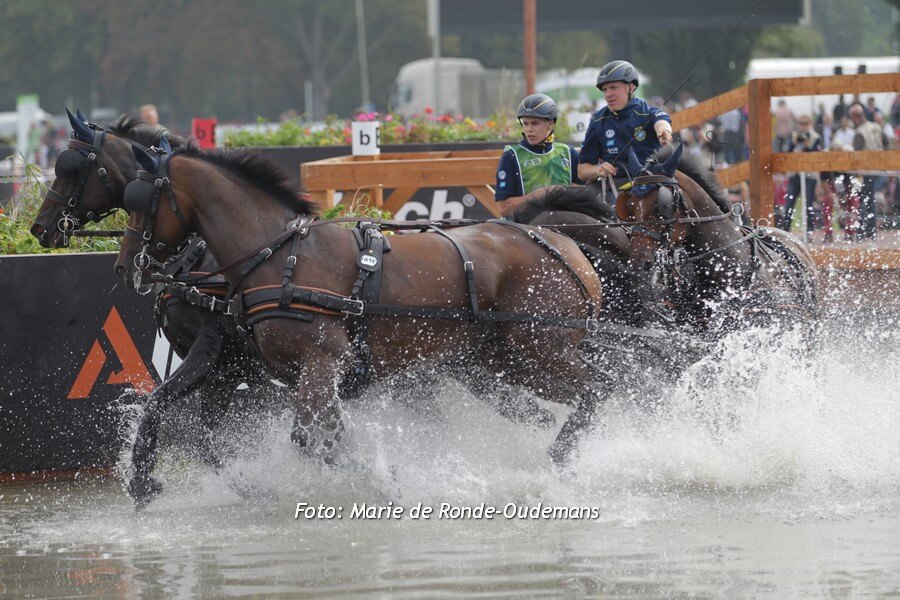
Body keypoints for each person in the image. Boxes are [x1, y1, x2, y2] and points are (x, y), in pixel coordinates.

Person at [577, 60, 673, 199]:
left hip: (650, 184)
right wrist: (598, 170)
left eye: (613, 87)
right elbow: (582, 171)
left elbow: (661, 121)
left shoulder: (646, 112)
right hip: (613, 188)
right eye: (605, 89)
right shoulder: (597, 120)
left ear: (631, 87)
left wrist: (664, 132)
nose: (608, 94)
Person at [494, 93, 581, 217]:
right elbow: (503, 209)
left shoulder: (568, 152)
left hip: (564, 222)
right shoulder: (511, 156)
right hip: (524, 226)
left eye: (535, 123)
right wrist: (540, 195)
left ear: (550, 124)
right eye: (525, 123)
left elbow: (587, 191)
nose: (529, 129)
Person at [777, 114, 822, 233]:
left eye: (805, 123)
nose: (803, 126)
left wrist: (807, 145)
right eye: (801, 123)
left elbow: (815, 155)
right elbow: (788, 153)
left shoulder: (815, 137)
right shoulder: (794, 136)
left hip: (809, 175)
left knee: (808, 203)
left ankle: (809, 231)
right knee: (789, 202)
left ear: (810, 124)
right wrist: (794, 142)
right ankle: (786, 229)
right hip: (795, 174)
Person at [849, 103, 888, 238]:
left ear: (854, 117)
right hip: (878, 167)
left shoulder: (859, 132)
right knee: (870, 199)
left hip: (865, 170)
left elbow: (857, 154)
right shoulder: (876, 126)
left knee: (864, 200)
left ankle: (862, 231)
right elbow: (886, 143)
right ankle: (871, 230)